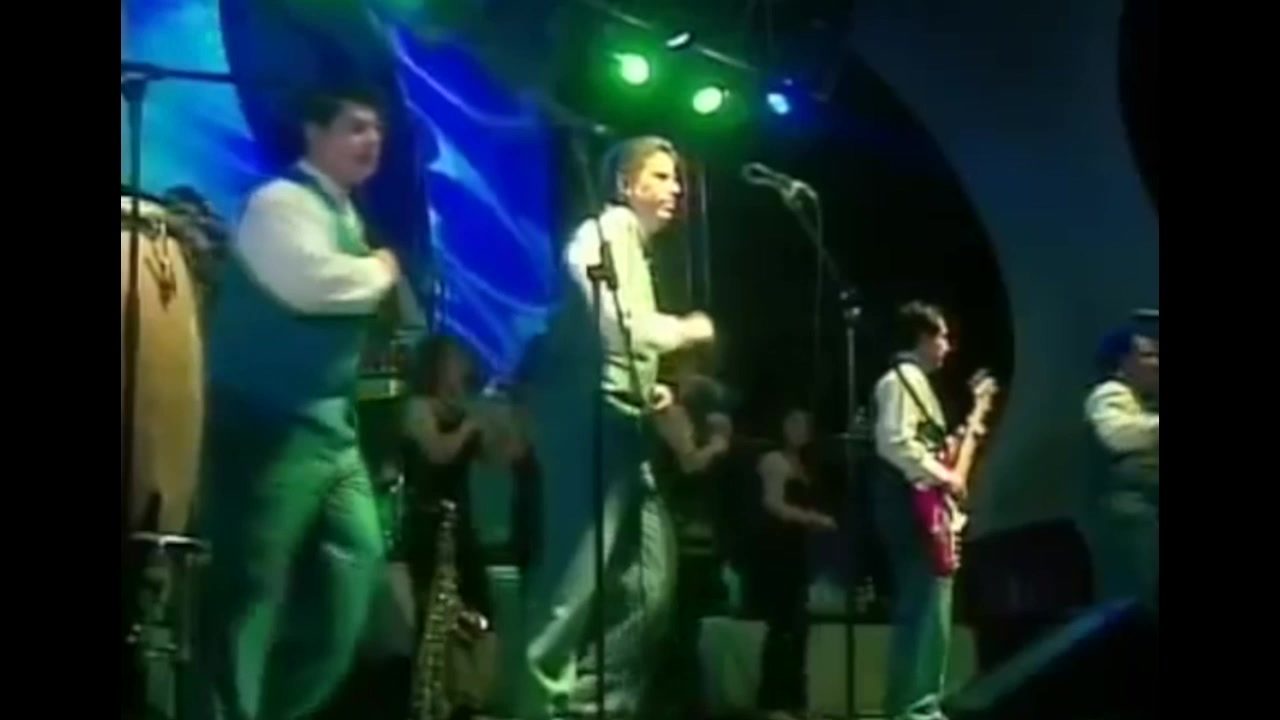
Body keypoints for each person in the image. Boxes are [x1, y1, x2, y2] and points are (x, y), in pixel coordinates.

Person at [194, 86, 400, 720]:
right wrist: (381, 270)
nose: (371, 141)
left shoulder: (345, 213)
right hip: (266, 426)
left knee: (354, 573)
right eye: (355, 127)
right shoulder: (279, 203)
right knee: (249, 593)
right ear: (315, 132)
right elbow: (310, 285)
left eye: (376, 130)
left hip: (331, 431)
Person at [520, 136, 716, 718]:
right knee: (576, 575)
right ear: (626, 184)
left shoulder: (630, 244)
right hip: (592, 416)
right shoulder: (605, 231)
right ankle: (541, 703)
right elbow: (612, 320)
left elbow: (619, 335)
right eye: (661, 176)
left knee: (650, 580)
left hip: (623, 418)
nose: (675, 189)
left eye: (676, 178)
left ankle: (592, 704)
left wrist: (645, 382)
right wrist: (683, 331)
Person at [870, 301, 967, 720]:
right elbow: (895, 440)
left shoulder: (910, 382)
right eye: (941, 336)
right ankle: (917, 707)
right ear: (923, 338)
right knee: (925, 606)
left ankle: (911, 704)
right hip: (910, 502)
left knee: (923, 605)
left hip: (915, 501)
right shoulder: (902, 380)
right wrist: (944, 476)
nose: (946, 346)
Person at [751, 406, 837, 720]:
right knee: (782, 625)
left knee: (798, 625)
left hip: (798, 549)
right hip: (778, 549)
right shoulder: (775, 460)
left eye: (805, 424)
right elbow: (772, 504)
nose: (800, 429)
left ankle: (794, 699)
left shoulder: (803, 464)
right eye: (794, 422)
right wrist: (812, 518)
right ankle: (772, 700)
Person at [1083, 325, 1159, 610]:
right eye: (1148, 355)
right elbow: (1117, 435)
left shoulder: (1145, 402)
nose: (1157, 363)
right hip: (1133, 519)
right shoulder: (1108, 394)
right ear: (1122, 363)